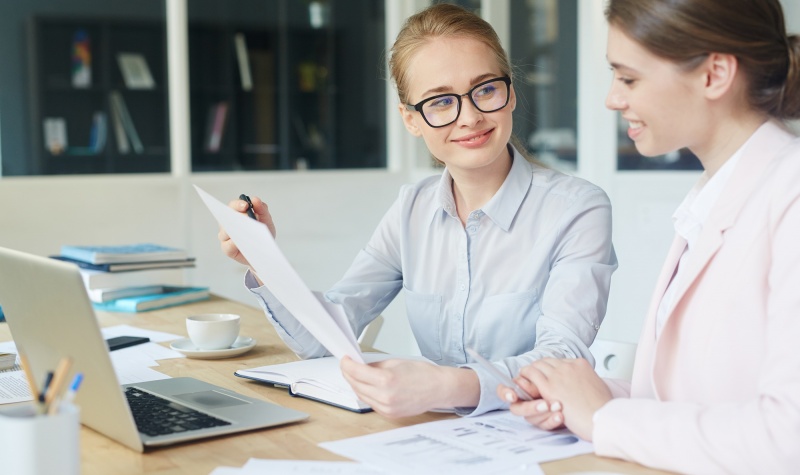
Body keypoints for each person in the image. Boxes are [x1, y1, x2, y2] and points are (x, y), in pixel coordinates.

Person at [219, 3, 617, 419]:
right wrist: (262, 259)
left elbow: (562, 359)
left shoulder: (577, 208)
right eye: (441, 102)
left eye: (485, 90)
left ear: (511, 92)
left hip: (529, 439)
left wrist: (444, 386)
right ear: (411, 120)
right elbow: (324, 338)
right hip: (432, 435)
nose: (470, 117)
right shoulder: (412, 208)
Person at [499, 0, 800, 473]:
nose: (612, 99)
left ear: (714, 74)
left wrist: (604, 418)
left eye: (629, 78)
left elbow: (788, 439)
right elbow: (691, 397)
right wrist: (580, 402)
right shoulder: (714, 198)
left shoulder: (791, 195)